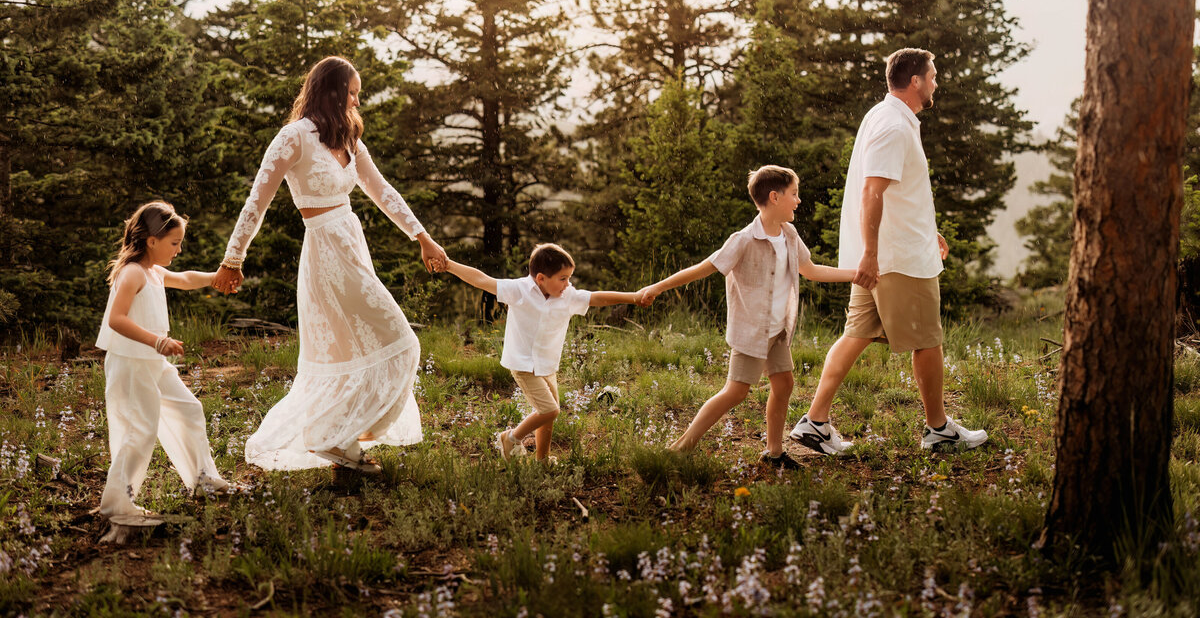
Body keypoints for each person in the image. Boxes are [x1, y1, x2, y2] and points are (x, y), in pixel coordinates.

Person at [213, 56, 448, 473]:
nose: (357, 101)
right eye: (352, 92)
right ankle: (338, 442)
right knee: (398, 341)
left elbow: (383, 191)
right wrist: (233, 259)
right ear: (332, 91)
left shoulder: (350, 139)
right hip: (324, 251)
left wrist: (423, 238)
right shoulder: (294, 137)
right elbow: (257, 202)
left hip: (352, 244)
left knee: (367, 347)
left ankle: (341, 441)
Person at [790, 48, 988, 455]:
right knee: (928, 340)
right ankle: (938, 430)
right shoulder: (893, 126)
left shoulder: (890, 119)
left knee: (856, 333)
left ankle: (815, 423)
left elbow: (900, 191)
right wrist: (872, 255)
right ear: (914, 81)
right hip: (896, 259)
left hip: (889, 251)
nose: (936, 82)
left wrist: (928, 231)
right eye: (932, 76)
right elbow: (872, 191)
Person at [637, 165, 856, 468]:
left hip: (778, 331)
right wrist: (658, 287)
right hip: (752, 331)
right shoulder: (743, 239)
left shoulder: (790, 235)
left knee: (784, 384)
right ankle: (680, 448)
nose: (799, 200)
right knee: (736, 392)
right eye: (794, 194)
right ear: (775, 197)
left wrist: (857, 275)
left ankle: (775, 453)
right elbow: (705, 267)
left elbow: (811, 270)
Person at [437, 243, 640, 462]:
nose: (568, 283)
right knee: (549, 410)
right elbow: (482, 280)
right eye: (563, 278)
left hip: (547, 365)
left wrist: (634, 297)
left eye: (569, 278)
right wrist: (448, 265)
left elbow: (598, 298)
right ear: (541, 278)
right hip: (523, 365)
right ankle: (510, 438)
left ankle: (542, 460)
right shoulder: (519, 290)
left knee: (548, 415)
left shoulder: (567, 296)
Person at [96, 201, 235, 517]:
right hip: (131, 363)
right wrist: (157, 341)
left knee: (189, 409)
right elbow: (116, 319)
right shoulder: (132, 273)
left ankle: (205, 479)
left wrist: (219, 276)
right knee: (139, 430)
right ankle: (117, 503)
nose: (179, 249)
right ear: (151, 240)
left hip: (151, 363)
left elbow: (185, 279)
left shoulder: (154, 271)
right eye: (174, 243)